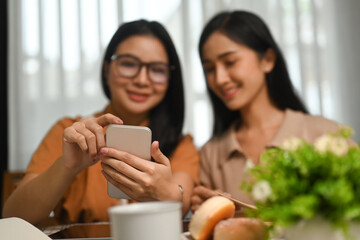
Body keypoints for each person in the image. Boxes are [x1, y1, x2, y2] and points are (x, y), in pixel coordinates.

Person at [3, 19, 199, 225]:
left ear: (170, 79)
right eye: (129, 64)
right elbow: (13, 217)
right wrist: (67, 166)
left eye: (157, 69)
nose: (142, 80)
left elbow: (182, 203)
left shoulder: (181, 144)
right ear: (106, 69)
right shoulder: (69, 133)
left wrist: (169, 195)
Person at [190, 10, 340, 212]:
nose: (219, 79)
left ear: (267, 60)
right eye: (209, 69)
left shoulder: (326, 135)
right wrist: (203, 207)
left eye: (230, 62)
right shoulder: (211, 154)